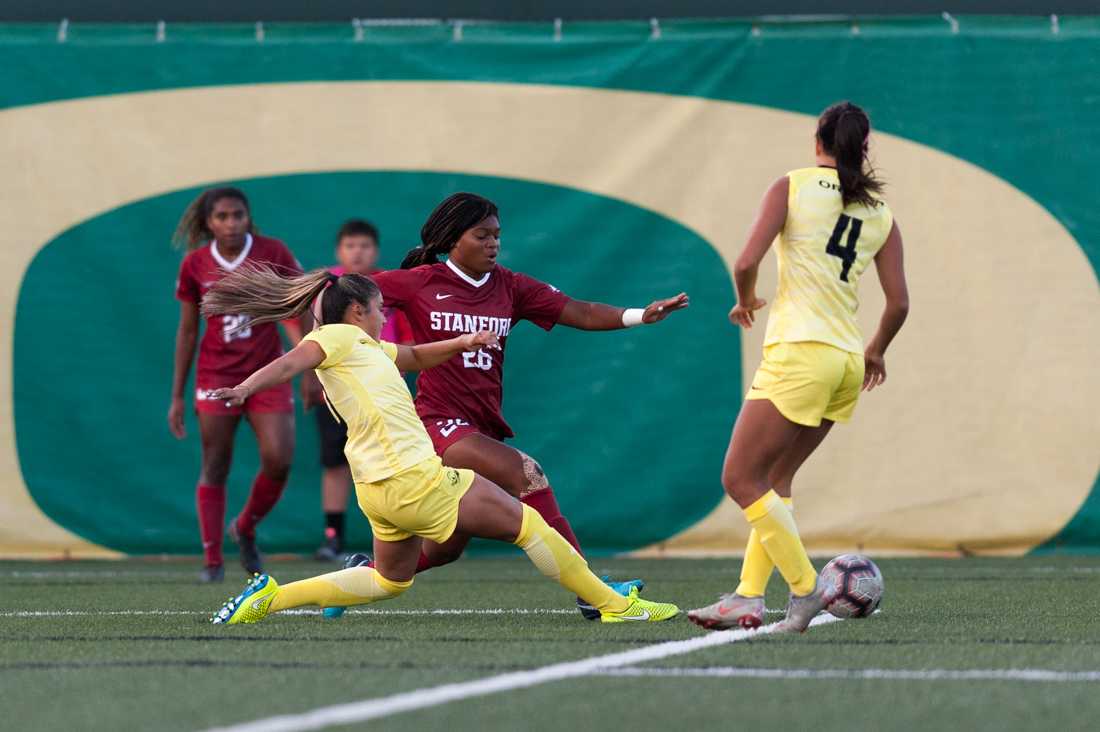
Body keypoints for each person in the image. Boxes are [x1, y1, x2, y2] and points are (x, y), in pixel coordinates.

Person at [199, 267, 680, 625]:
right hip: (412, 475)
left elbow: (410, 355)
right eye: (380, 308)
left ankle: (271, 597)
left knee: (390, 580)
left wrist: (462, 340)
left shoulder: (365, 348)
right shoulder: (337, 336)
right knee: (528, 522)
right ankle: (612, 605)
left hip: (377, 489)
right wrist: (246, 388)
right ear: (357, 311)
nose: (385, 315)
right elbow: (292, 360)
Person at [371, 192, 689, 619]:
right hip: (437, 423)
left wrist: (638, 315)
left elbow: (581, 311)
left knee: (444, 549)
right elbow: (351, 295)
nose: (493, 243)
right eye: (481, 235)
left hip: (481, 428)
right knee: (528, 473)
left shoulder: (511, 285)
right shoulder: (421, 280)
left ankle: (365, 571)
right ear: (452, 239)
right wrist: (337, 339)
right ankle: (593, 593)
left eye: (497, 235)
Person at [687, 101, 909, 633]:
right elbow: (899, 304)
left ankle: (807, 590)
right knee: (777, 478)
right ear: (863, 148)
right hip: (846, 360)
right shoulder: (880, 213)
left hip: (801, 351)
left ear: (819, 141)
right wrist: (876, 349)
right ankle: (746, 596)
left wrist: (744, 300)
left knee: (740, 477)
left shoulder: (792, 185)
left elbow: (745, 262)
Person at [168, 187, 304, 583]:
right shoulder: (195, 264)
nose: (230, 223)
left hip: (267, 372)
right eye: (222, 217)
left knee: (279, 459)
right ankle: (212, 561)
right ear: (208, 222)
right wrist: (177, 395)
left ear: (248, 217)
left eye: (237, 215)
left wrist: (311, 368)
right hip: (215, 376)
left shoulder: (272, 252)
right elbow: (188, 330)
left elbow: (298, 306)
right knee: (215, 463)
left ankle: (244, 526)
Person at [312, 219, 414, 561]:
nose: (358, 251)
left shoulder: (388, 287)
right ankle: (333, 536)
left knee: (396, 459)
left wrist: (393, 371)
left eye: (365, 245)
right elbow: (314, 339)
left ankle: (407, 531)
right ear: (339, 250)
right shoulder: (328, 285)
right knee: (336, 461)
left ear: (376, 250)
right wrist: (312, 376)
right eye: (351, 245)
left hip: (385, 392)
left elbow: (407, 339)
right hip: (340, 392)